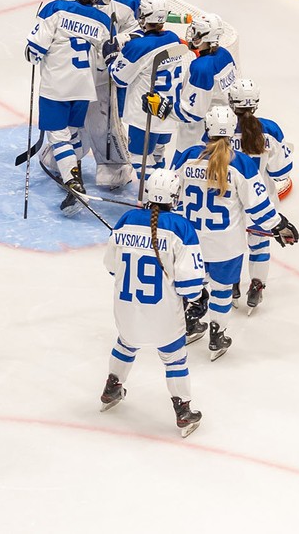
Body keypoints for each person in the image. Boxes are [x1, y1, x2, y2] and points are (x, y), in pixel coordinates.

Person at [171, 106, 297, 360]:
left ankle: (191, 323)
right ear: (231, 133)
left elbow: (170, 197)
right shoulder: (240, 163)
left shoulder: (187, 157)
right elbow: (259, 207)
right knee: (221, 290)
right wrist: (279, 224)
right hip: (225, 245)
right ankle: (217, 336)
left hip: (190, 242)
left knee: (194, 283)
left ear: (206, 129)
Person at [99, 168, 205, 437]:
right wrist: (199, 298)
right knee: (174, 358)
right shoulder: (181, 228)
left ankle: (112, 386)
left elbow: (111, 266)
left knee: (126, 343)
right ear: (174, 196)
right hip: (164, 315)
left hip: (126, 310)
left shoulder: (125, 220)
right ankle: (183, 409)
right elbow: (190, 284)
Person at [26, 0, 115, 216]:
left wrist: (33, 54)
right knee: (73, 133)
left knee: (58, 136)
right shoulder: (103, 21)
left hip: (57, 85)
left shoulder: (55, 9)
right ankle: (73, 173)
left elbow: (33, 51)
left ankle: (73, 184)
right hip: (84, 86)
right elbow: (104, 57)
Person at [55, 0, 142, 190]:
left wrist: (120, 39)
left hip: (100, 73)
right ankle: (59, 160)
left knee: (103, 122)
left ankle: (111, 169)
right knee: (71, 121)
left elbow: (137, 32)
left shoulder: (127, 0)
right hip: (74, 72)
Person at [110, 0, 191, 191]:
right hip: (168, 112)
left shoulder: (138, 47)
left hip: (145, 114)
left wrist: (114, 54)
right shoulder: (172, 39)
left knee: (140, 160)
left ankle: (155, 197)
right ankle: (166, 189)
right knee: (158, 155)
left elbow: (118, 78)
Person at [227, 79, 293, 311]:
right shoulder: (270, 130)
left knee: (232, 246)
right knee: (259, 245)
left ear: (231, 102)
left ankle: (231, 284)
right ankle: (257, 286)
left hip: (229, 201)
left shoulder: (219, 128)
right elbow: (280, 172)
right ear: (255, 104)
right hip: (261, 200)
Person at [173, 13, 239, 150]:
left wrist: (164, 109)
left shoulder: (201, 68)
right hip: (222, 126)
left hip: (198, 135)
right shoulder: (224, 54)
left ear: (207, 36)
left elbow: (191, 113)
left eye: (196, 31)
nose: (192, 34)